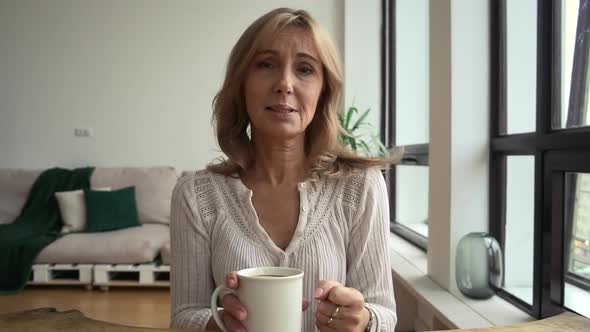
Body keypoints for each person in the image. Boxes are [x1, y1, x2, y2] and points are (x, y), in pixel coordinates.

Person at [170, 7, 398, 332]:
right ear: (241, 83)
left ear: (323, 92)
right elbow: (183, 317)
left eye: (305, 69)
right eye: (266, 64)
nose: (284, 84)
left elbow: (385, 314)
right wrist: (217, 324)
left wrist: (362, 321)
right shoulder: (195, 195)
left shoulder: (360, 186)